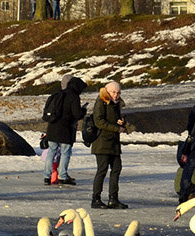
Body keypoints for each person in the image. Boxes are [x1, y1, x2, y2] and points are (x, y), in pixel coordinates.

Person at [90, 81, 131, 209]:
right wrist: (116, 128)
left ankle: (113, 199)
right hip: (102, 142)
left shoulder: (116, 104)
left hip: (113, 143)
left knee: (117, 168)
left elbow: (112, 119)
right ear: (107, 91)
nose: (116, 95)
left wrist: (121, 122)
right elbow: (99, 121)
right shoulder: (101, 102)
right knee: (102, 170)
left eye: (118, 93)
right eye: (113, 92)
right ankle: (96, 199)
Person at [43, 74, 87, 186]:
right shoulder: (74, 97)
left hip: (52, 127)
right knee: (65, 152)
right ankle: (62, 176)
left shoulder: (57, 94)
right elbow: (77, 114)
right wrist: (83, 111)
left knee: (51, 152)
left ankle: (47, 176)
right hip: (65, 129)